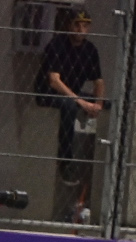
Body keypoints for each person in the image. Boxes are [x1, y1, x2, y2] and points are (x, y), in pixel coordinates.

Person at [35, 9, 104, 185]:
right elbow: (54, 81)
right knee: (69, 106)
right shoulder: (57, 44)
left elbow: (99, 82)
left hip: (73, 92)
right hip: (48, 93)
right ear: (69, 25)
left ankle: (105, 158)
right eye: (77, 25)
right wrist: (82, 102)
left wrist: (97, 105)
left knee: (108, 104)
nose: (81, 30)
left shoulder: (90, 49)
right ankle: (65, 162)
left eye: (85, 26)